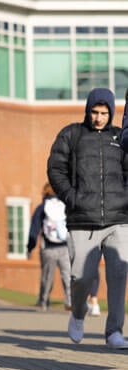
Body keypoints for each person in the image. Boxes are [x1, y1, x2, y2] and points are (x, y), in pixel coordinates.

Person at [48, 87, 128, 349]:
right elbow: (56, 169)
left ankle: (114, 331)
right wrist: (72, 198)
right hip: (83, 220)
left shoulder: (120, 137)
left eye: (104, 113)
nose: (99, 118)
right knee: (81, 276)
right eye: (94, 112)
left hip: (119, 219)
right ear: (87, 110)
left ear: (112, 113)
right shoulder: (71, 134)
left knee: (118, 275)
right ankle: (78, 313)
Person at [26, 182, 71, 312]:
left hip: (48, 248)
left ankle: (43, 301)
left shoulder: (42, 208)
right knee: (67, 275)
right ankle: (70, 301)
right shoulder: (66, 206)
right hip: (65, 247)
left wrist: (30, 246)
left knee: (47, 276)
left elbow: (34, 229)